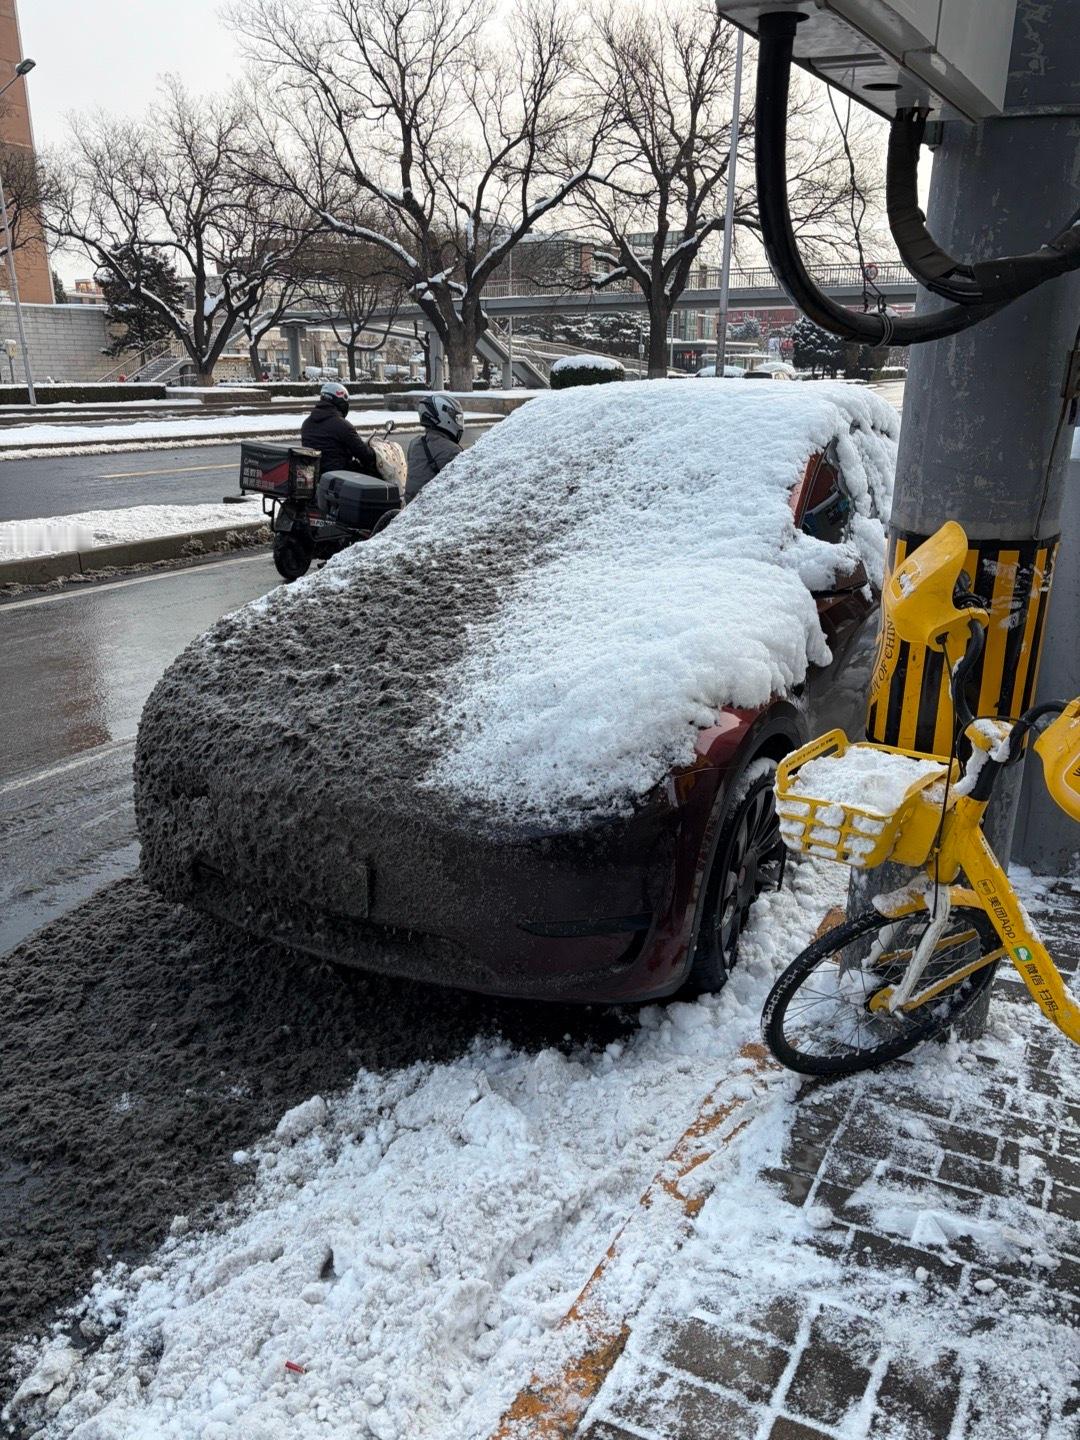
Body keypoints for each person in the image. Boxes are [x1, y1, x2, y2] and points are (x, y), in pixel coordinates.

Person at [301, 381, 379, 476]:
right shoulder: (342, 426)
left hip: (318, 475)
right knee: (376, 475)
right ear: (340, 402)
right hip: (342, 475)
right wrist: (375, 453)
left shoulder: (307, 423)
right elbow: (365, 455)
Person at [405, 393, 465, 501]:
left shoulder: (414, 443)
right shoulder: (453, 451)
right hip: (434, 510)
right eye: (457, 418)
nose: (459, 423)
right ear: (444, 416)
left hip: (411, 506)